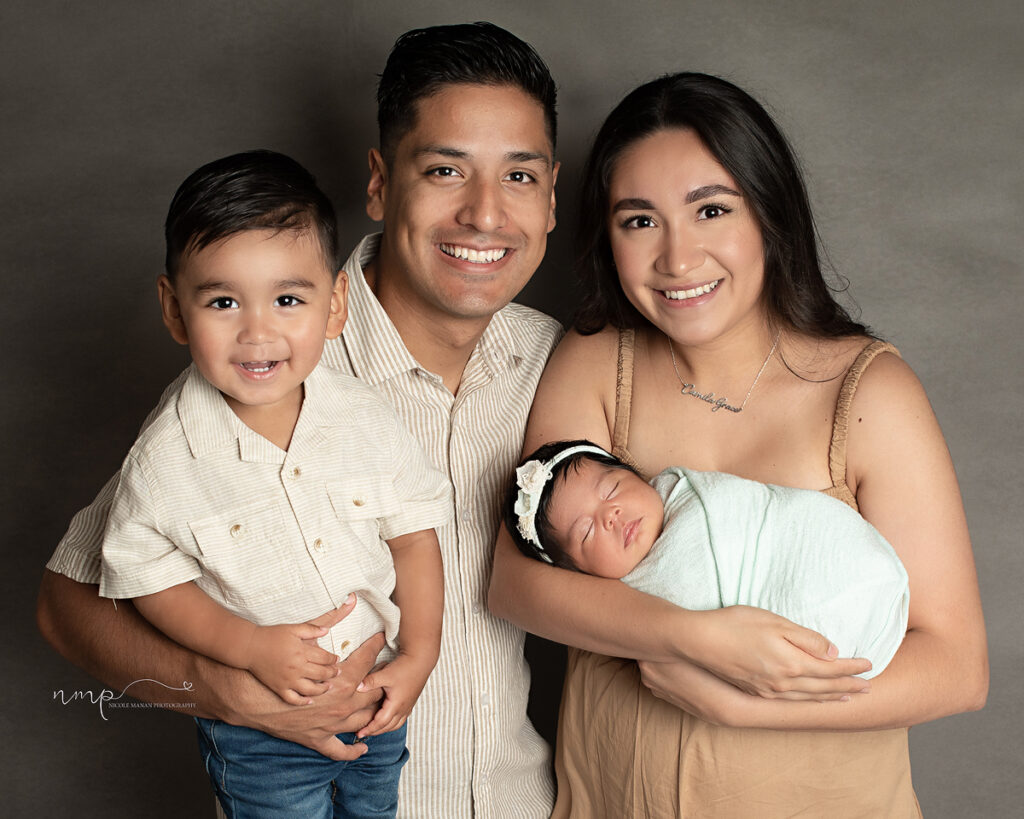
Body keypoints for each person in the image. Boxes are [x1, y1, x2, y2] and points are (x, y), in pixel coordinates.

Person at [38, 28, 885, 817]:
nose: (486, 214)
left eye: (518, 175)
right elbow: (66, 603)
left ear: (552, 197)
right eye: (446, 171)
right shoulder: (272, 366)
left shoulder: (563, 365)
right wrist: (221, 689)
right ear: (378, 181)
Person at [489, 72, 988, 817]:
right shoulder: (598, 362)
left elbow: (956, 668)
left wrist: (749, 703)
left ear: (770, 214)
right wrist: (693, 637)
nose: (678, 259)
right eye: (639, 221)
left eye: (711, 210)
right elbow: (514, 582)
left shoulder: (870, 393)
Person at [94, 149, 451, 817]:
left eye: (288, 298)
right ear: (174, 310)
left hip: (376, 697)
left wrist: (421, 651)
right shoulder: (166, 458)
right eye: (224, 301)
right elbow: (148, 577)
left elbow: (413, 534)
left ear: (336, 304)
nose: (258, 331)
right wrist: (250, 646)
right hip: (262, 732)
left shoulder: (364, 417)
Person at [505, 440, 909, 677]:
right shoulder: (637, 603)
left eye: (612, 489)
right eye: (588, 532)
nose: (610, 516)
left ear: (636, 474)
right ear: (578, 574)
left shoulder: (688, 492)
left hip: (835, 552)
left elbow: (770, 516)